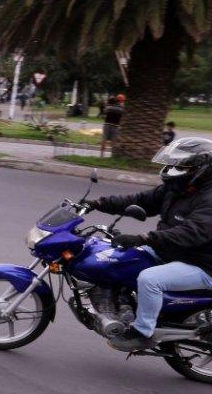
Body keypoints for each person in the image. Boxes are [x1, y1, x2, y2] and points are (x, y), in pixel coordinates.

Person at [86, 137, 212, 351]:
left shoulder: (208, 198)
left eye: (180, 166)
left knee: (149, 279)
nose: (173, 170)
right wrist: (99, 203)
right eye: (172, 164)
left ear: (201, 169)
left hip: (201, 264)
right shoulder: (177, 188)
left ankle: (143, 333)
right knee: (117, 258)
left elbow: (192, 233)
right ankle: (122, 306)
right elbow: (139, 199)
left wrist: (144, 238)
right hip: (169, 252)